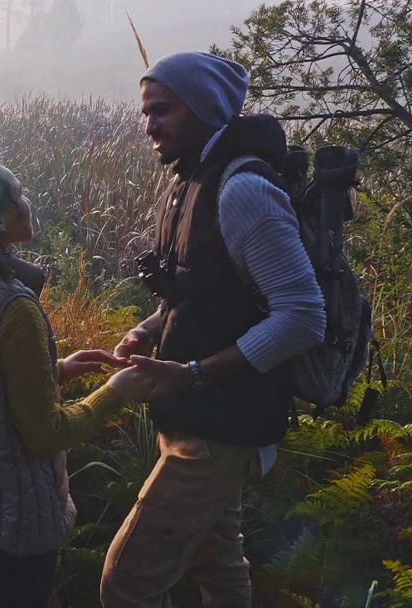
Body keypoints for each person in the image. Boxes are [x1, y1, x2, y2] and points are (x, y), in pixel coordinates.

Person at [100, 52, 327, 608]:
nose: (149, 124)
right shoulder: (191, 180)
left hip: (222, 430)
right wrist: (148, 330)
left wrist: (195, 372)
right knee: (218, 565)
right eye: (146, 112)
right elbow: (202, 294)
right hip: (197, 418)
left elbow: (302, 315)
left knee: (126, 582)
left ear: (204, 109)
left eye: (163, 111)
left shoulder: (243, 191)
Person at [0, 153, 156, 608]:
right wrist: (116, 393)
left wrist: (53, 371)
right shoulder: (12, 308)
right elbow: (44, 435)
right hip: (6, 528)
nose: (26, 200)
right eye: (16, 194)